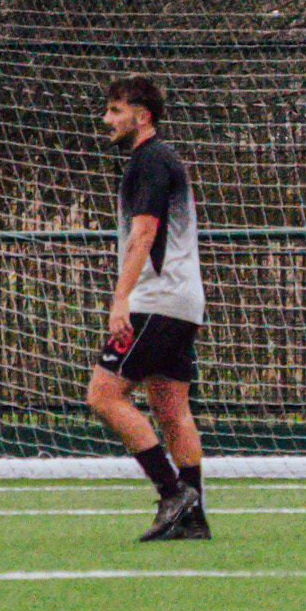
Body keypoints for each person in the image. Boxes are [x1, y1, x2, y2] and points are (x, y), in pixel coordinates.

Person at [85, 76, 209, 542]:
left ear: (143, 115)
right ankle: (192, 518)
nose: (107, 120)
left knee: (103, 394)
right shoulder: (160, 158)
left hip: (155, 301)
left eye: (116, 110)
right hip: (182, 300)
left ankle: (172, 493)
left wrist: (121, 300)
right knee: (171, 406)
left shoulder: (150, 160)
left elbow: (144, 234)